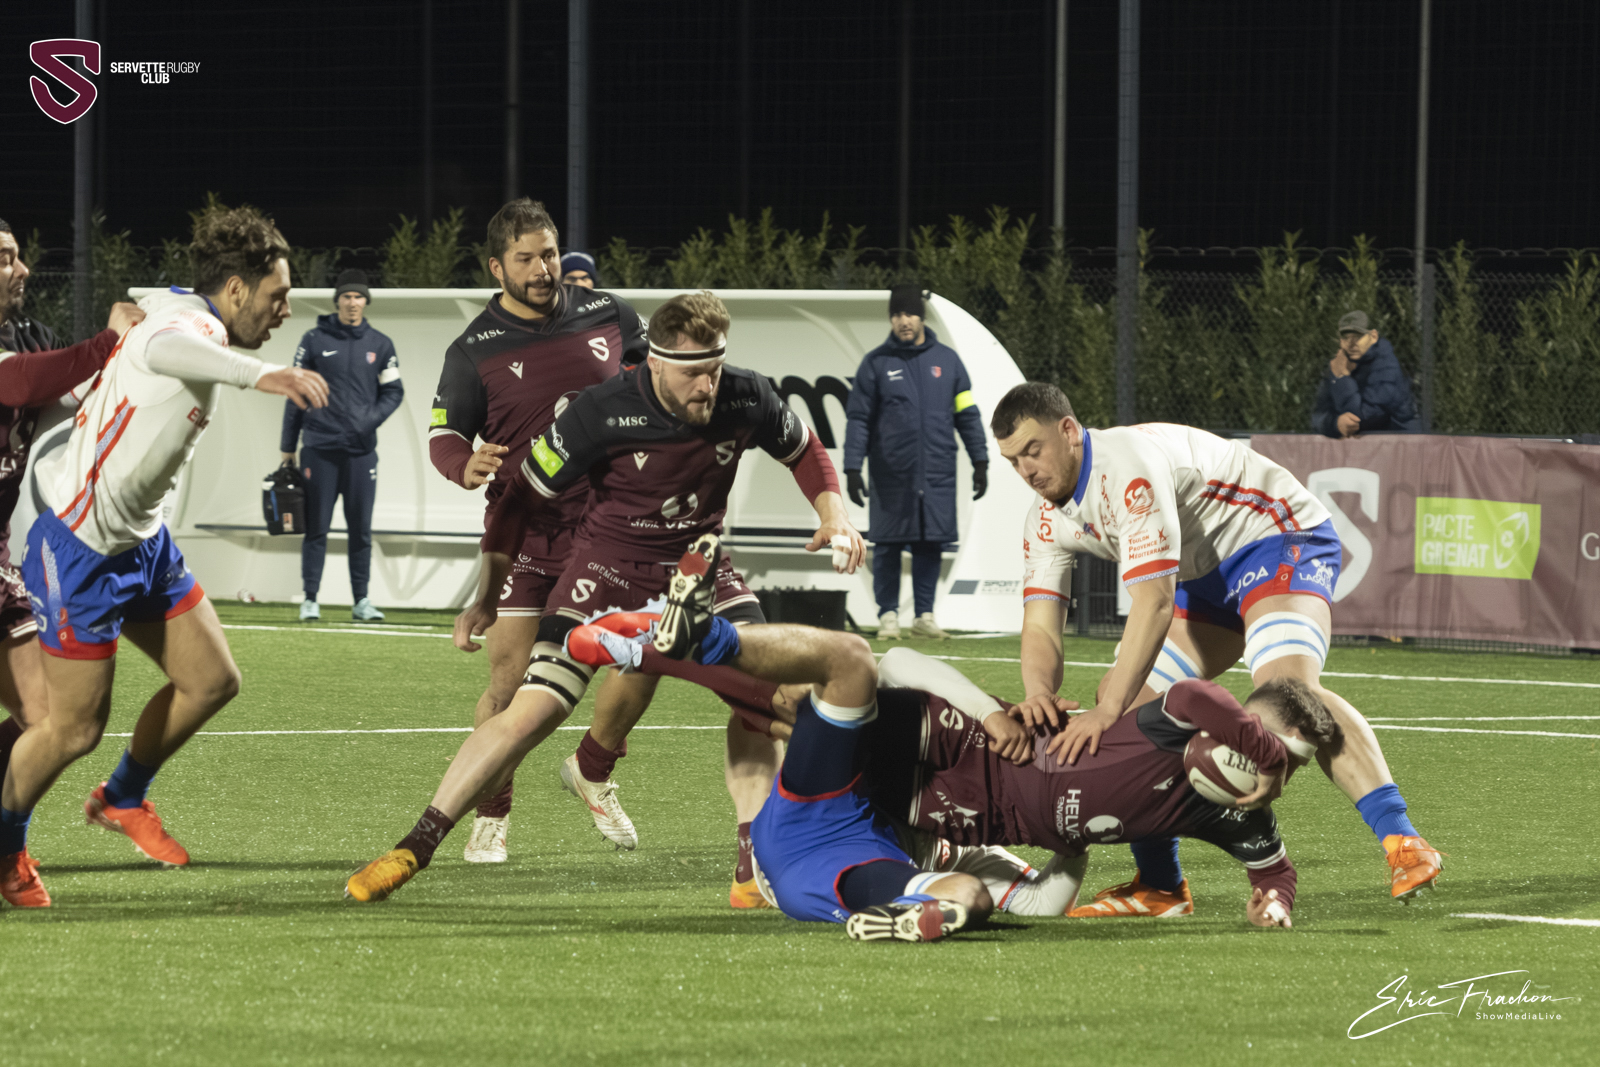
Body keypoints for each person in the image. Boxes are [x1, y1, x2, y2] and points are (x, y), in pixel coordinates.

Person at [345, 291, 865, 908]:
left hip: (699, 573)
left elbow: (804, 451)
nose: (708, 386)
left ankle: (750, 861)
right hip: (604, 575)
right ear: (655, 363)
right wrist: (484, 598)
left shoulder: (746, 394)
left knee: (766, 701)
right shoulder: (600, 410)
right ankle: (415, 846)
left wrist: (835, 515)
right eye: (694, 373)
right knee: (533, 710)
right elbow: (518, 501)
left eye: (716, 368)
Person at [567, 603, 1320, 932]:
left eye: (1289, 763)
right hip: (962, 742)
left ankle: (657, 649)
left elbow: (1275, 872)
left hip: (929, 811)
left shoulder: (1232, 812)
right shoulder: (1180, 721)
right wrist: (992, 714)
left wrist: (1274, 904)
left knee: (787, 719)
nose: (1270, 769)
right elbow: (1195, 693)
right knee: (814, 695)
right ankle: (654, 646)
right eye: (1265, 744)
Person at [993, 382, 1442, 916]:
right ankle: (1161, 885)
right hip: (1203, 574)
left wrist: (1107, 709)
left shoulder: (1125, 468)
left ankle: (1403, 840)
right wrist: (1039, 693)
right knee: (1132, 711)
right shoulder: (1045, 518)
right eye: (1013, 461)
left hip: (1276, 535)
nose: (1026, 471)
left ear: (1068, 431)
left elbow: (1154, 602)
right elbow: (1041, 624)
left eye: (1033, 450)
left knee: (1288, 691)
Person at [0, 204, 328, 908]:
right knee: (71, 729)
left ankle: (122, 797)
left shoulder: (179, 305)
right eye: (276, 295)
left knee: (211, 680)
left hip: (143, 542)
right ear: (235, 289)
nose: (285, 309)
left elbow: (153, 317)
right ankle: (5, 846)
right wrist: (260, 374)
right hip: (82, 548)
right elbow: (166, 346)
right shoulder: (188, 329)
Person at [428, 198, 647, 863]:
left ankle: (593, 767)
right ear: (497, 268)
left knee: (645, 655)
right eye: (524, 259)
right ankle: (491, 815)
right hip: (525, 535)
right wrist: (463, 464)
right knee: (508, 683)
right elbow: (444, 435)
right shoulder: (472, 351)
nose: (542, 269)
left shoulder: (611, 315)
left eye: (548, 254)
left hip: (608, 529)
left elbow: (652, 390)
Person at [0, 220, 148, 849]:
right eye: (5, 258)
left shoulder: (24, 340)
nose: (22, 269)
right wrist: (107, 340)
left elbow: (67, 390)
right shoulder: (15, 363)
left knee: (51, 717)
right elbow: (18, 382)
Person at [843, 285, 988, 641]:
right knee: (888, 546)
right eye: (896, 314)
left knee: (930, 544)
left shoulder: (948, 362)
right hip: (891, 475)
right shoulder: (875, 363)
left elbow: (967, 415)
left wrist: (980, 460)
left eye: (909, 313)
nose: (903, 321)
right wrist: (852, 467)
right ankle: (888, 616)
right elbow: (859, 420)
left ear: (921, 316)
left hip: (937, 473)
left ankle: (924, 616)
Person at [280, 269, 403, 622]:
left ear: (366, 301)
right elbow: (295, 393)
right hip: (319, 450)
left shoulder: (380, 344)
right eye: (346, 296)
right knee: (316, 528)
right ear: (337, 301)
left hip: (361, 453)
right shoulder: (313, 339)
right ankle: (310, 600)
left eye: (358, 296)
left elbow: (394, 392)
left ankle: (361, 602)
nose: (352, 302)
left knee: (360, 531)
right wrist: (287, 445)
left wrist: (368, 419)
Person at [1311, 310, 1421, 438]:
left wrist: (1341, 378)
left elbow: (1361, 419)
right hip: (1363, 446)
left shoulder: (1387, 365)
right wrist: (1336, 424)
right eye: (1346, 338)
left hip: (1402, 443)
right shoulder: (1339, 364)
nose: (1351, 344)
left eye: (1358, 337)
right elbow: (1317, 417)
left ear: (1373, 337)